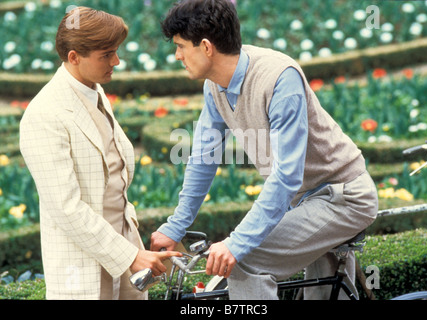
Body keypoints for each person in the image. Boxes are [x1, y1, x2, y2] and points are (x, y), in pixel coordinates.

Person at [150, 0, 378, 300]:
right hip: (305, 202)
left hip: (343, 197)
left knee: (244, 260)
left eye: (180, 46)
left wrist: (236, 244)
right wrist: (176, 226)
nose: (177, 55)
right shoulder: (215, 85)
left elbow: (286, 176)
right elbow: (204, 157)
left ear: (206, 47)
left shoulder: (279, 78)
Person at [19, 6, 181, 300]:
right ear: (74, 57)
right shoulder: (43, 115)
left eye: (116, 51)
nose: (116, 61)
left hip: (125, 260)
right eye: (107, 54)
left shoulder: (93, 90)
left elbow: (114, 181)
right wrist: (130, 255)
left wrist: (134, 249)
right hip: (82, 269)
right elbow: (67, 209)